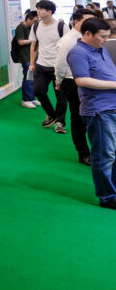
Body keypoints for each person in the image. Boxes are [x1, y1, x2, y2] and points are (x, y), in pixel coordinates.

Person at [67, 17, 116, 209]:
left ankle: (112, 190)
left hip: (111, 108)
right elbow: (82, 80)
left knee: (112, 154)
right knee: (104, 155)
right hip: (99, 111)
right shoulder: (77, 52)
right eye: (102, 36)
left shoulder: (100, 48)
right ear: (88, 34)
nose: (106, 40)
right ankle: (107, 197)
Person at [56, 10, 93, 158]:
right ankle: (83, 154)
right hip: (72, 82)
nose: (91, 24)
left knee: (89, 117)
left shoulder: (86, 37)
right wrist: (59, 80)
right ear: (76, 22)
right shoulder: (68, 40)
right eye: (87, 20)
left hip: (87, 82)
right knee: (78, 119)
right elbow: (60, 64)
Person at [30, 0, 68, 130]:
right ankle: (52, 115)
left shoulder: (61, 26)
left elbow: (68, 46)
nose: (38, 11)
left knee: (60, 96)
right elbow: (33, 45)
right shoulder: (36, 26)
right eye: (38, 8)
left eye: (41, 9)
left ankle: (60, 122)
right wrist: (32, 63)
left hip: (58, 66)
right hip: (41, 65)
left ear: (50, 12)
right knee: (38, 91)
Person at [14, 10, 37, 108]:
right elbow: (20, 42)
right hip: (25, 56)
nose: (35, 23)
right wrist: (33, 40)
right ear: (28, 19)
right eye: (34, 21)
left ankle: (31, 98)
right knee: (28, 79)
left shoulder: (31, 27)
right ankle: (26, 99)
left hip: (32, 56)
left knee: (32, 78)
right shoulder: (20, 27)